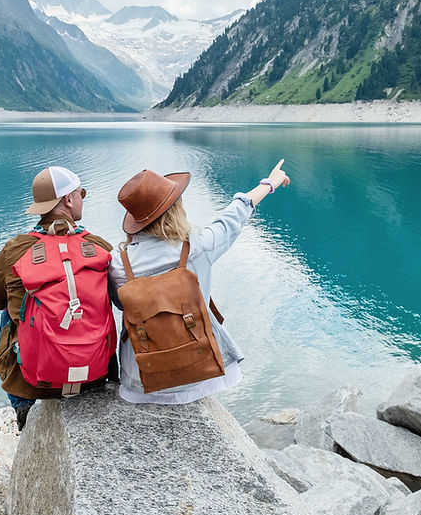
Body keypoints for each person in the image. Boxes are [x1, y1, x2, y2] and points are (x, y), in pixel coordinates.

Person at [109, 160, 290, 404]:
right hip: (200, 373)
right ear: (174, 210)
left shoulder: (119, 265)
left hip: (140, 380)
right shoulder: (197, 246)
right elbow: (233, 216)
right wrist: (270, 183)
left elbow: (123, 306)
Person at [0, 166, 115, 429]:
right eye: (81, 194)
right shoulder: (99, 246)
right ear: (68, 199)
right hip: (95, 373)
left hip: (37, 381)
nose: (81, 200)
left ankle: (23, 406)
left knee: (11, 312)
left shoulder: (15, 249)